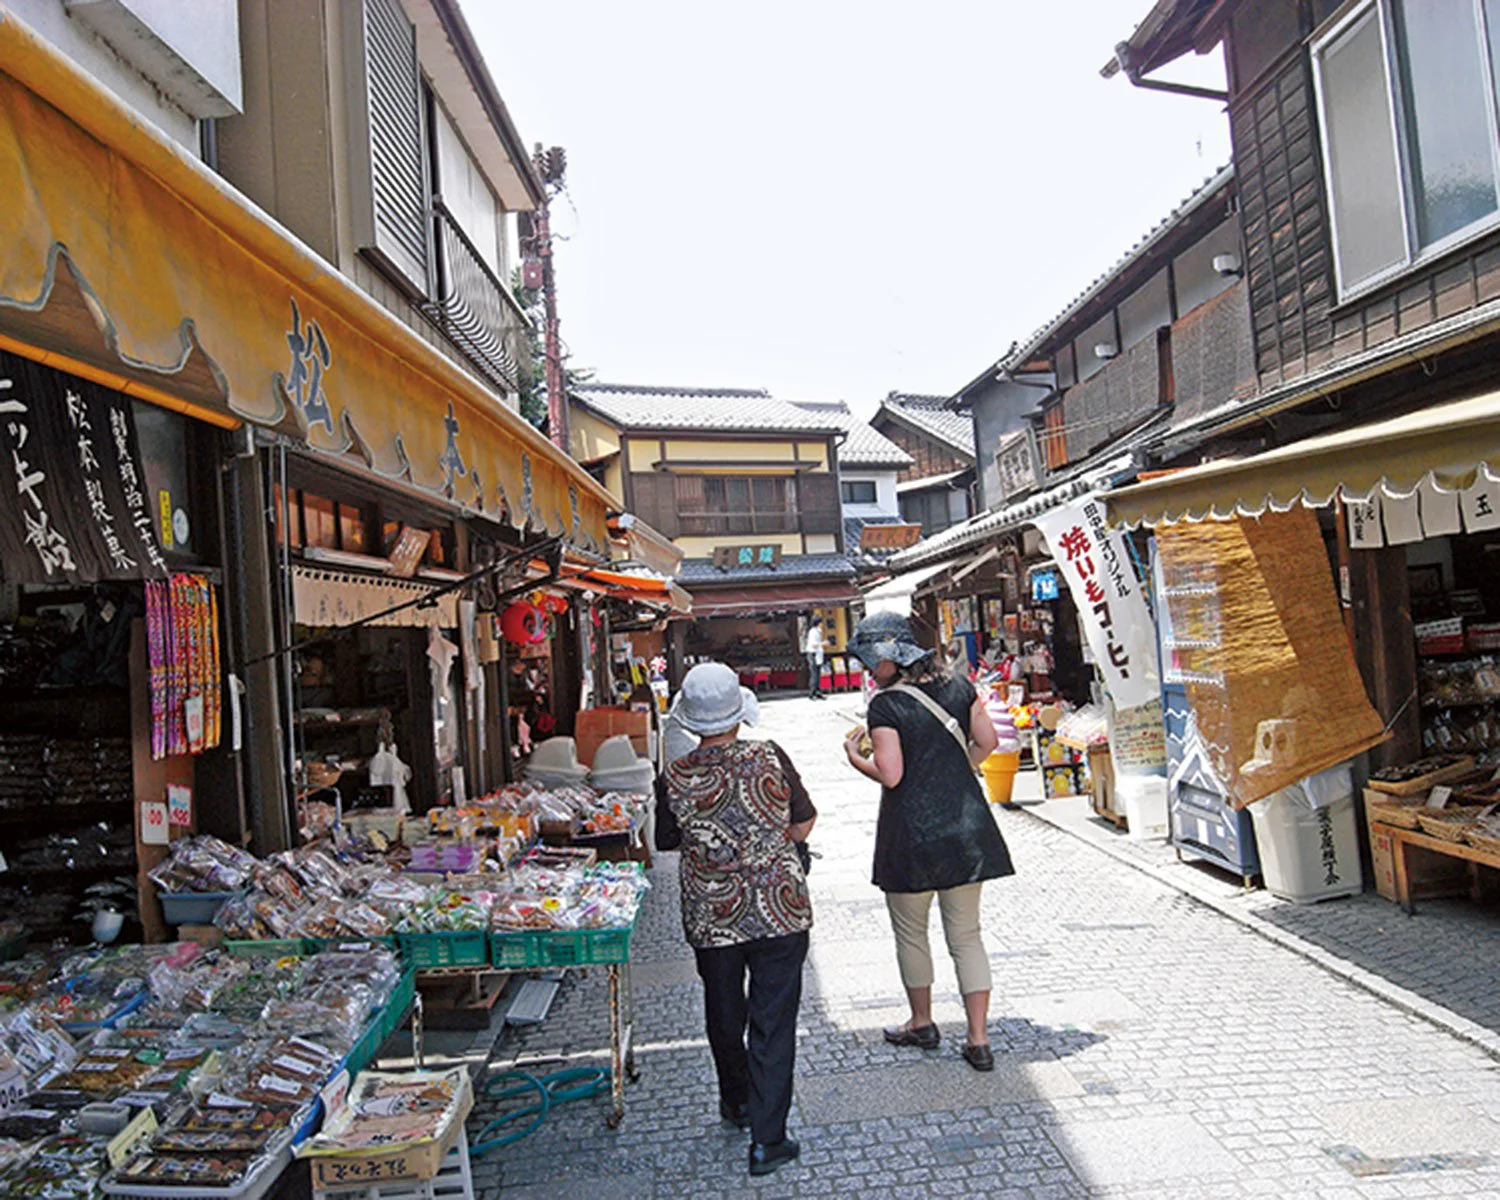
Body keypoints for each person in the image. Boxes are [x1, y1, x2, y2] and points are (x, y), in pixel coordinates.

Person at [656, 663, 816, 1177]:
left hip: (711, 915)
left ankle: (737, 1101)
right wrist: (768, 844)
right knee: (773, 1021)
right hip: (779, 908)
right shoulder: (770, 756)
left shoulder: (675, 775)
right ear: (739, 713)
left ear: (691, 721)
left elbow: (664, 839)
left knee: (725, 1012)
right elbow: (804, 819)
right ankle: (769, 1140)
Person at [841, 611, 1014, 1072]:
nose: (868, 669)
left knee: (912, 934)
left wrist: (853, 759)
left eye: (872, 660)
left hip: (911, 835)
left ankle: (922, 1022)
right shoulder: (960, 687)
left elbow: (891, 774)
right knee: (967, 937)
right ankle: (978, 1039)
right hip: (966, 829)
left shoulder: (886, 706)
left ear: (892, 659)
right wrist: (961, 769)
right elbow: (988, 740)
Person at [804, 619, 826, 700]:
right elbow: (813, 645)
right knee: (814, 674)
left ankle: (818, 692)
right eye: (821, 623)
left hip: (818, 654)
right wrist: (823, 644)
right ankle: (812, 693)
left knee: (818, 674)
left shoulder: (818, 631)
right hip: (813, 654)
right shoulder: (813, 632)